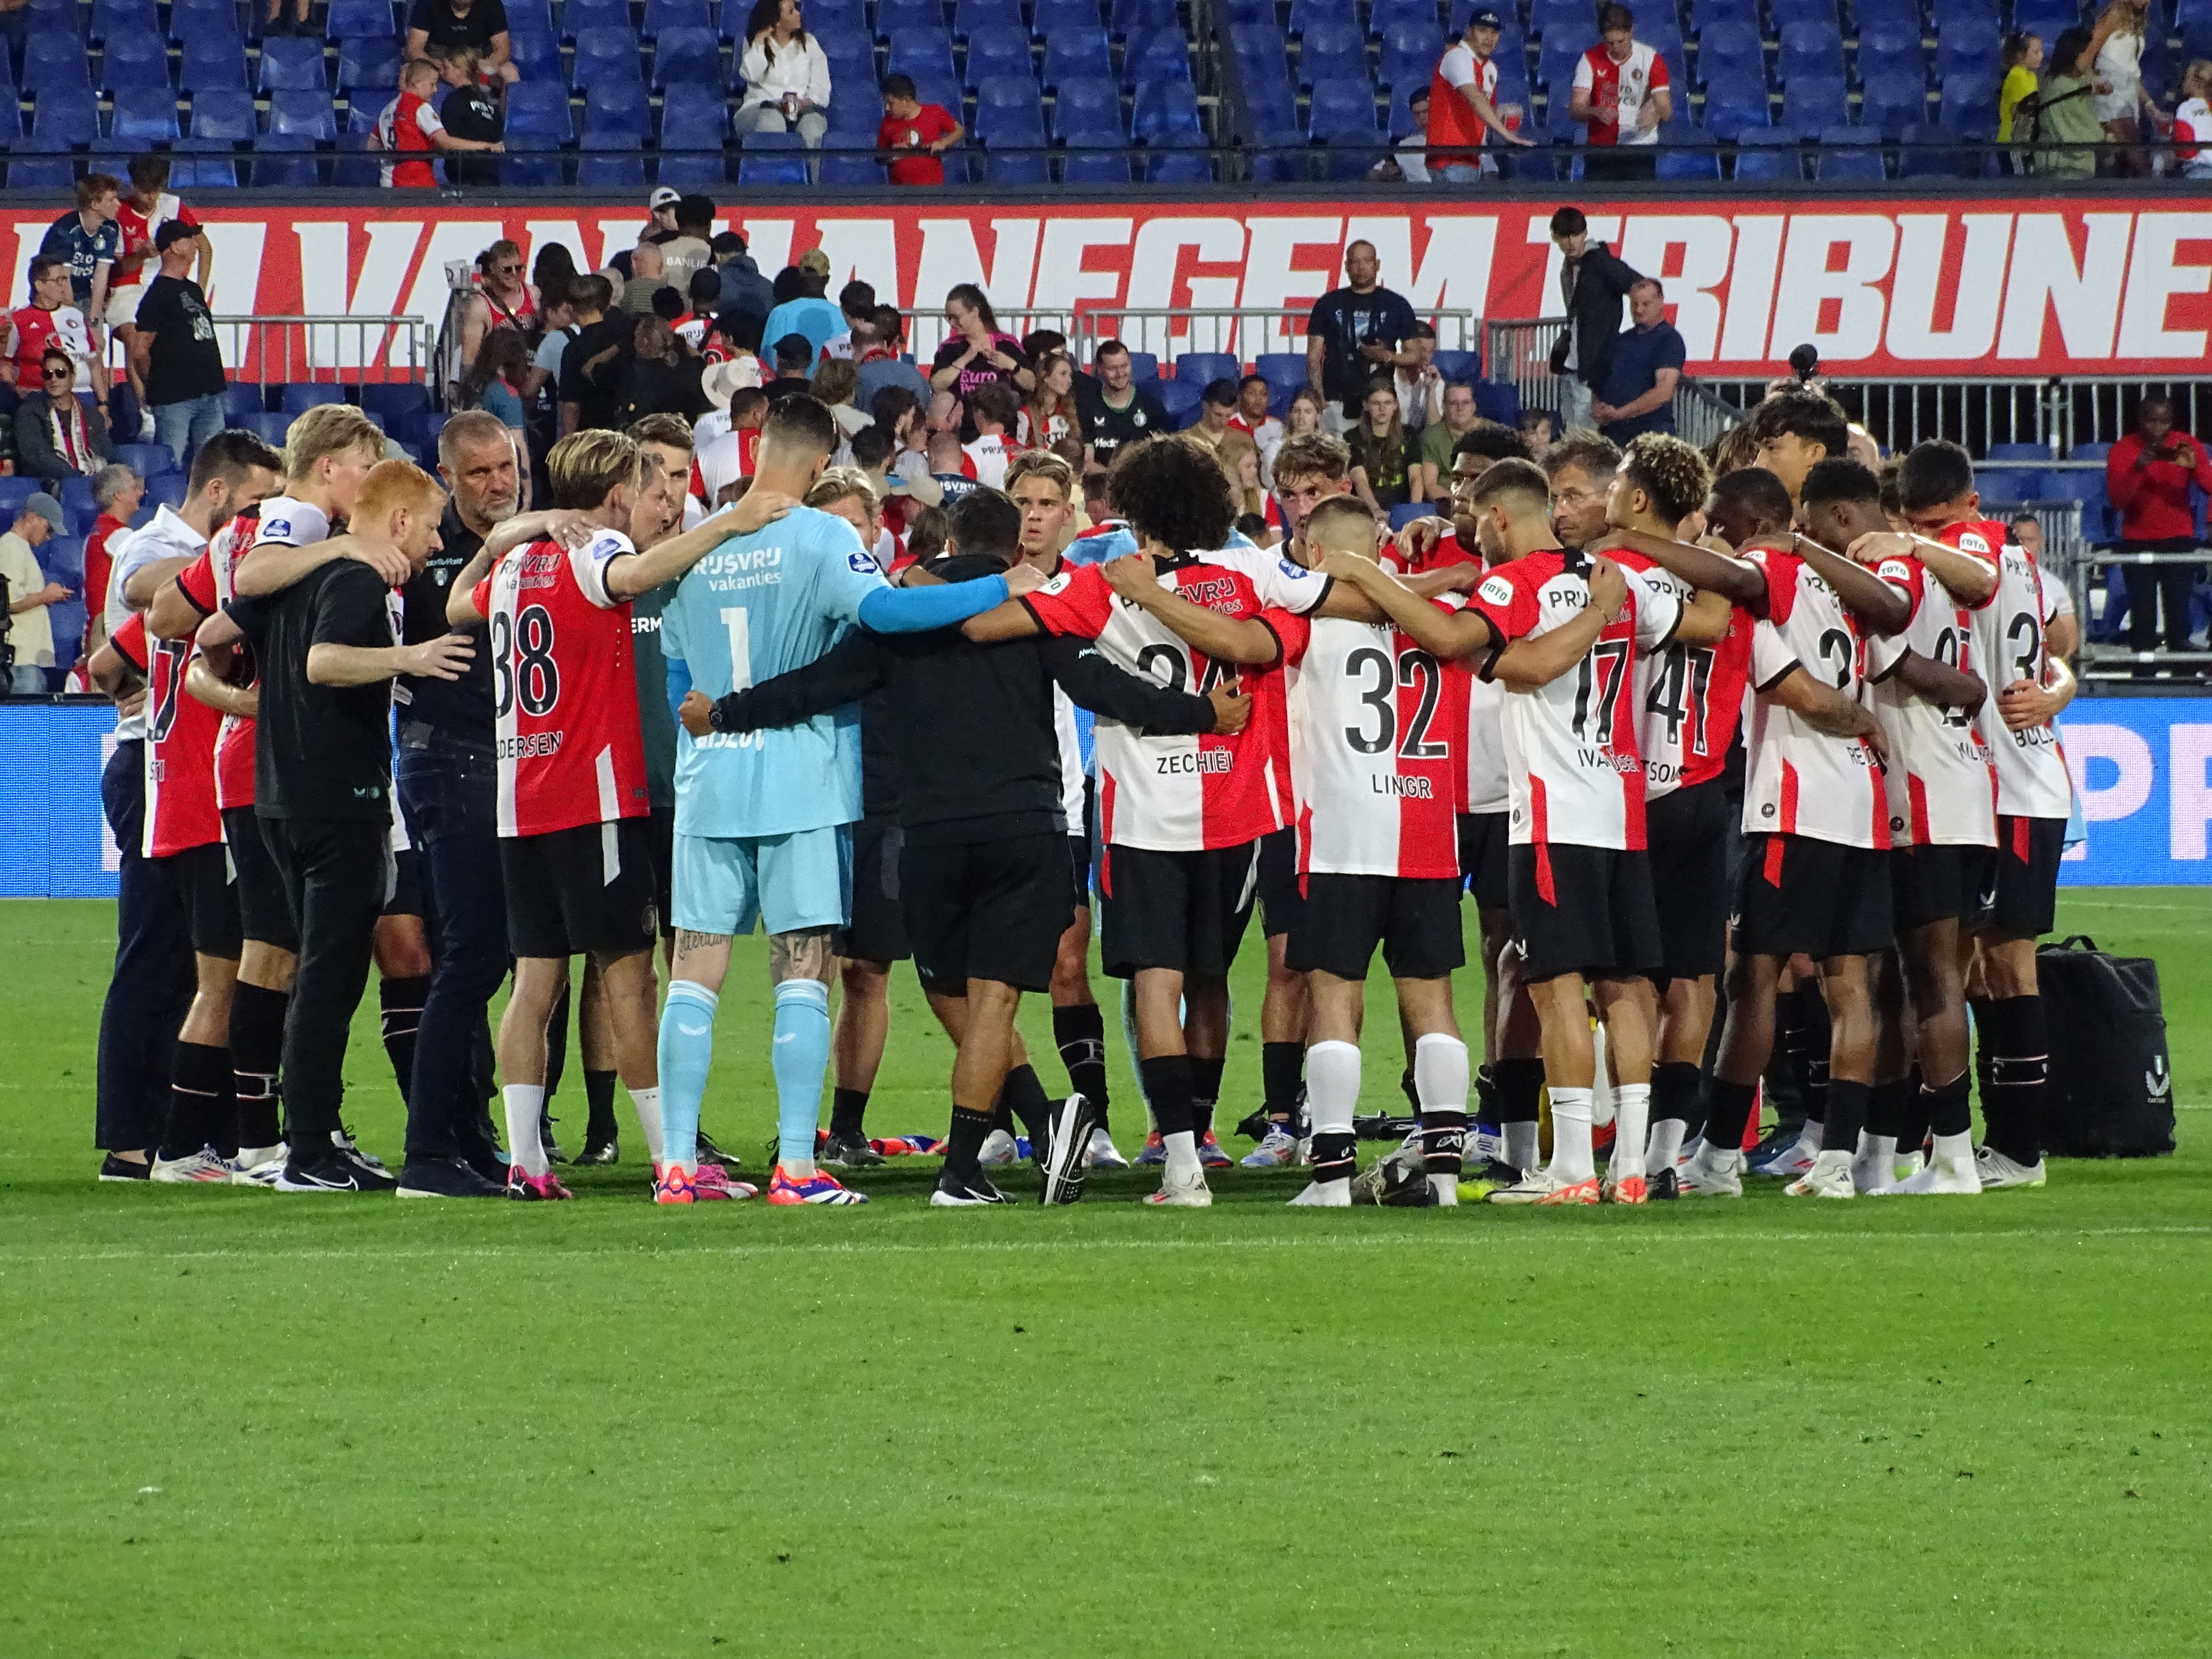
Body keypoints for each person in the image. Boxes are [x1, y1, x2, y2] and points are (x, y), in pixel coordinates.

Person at [692, 486, 1232, 1205]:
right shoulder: (1032, 608)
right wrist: (1201, 711)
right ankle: (969, 1168)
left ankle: (1033, 1129)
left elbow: (814, 686)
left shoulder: (901, 617)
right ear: (1014, 550)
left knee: (949, 990)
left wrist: (724, 712)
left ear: (947, 542)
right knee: (992, 1002)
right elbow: (1106, 687)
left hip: (928, 835)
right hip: (1020, 828)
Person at [643, 396, 1040, 1205]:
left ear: (758, 447)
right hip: (801, 781)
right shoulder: (824, 537)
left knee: (693, 973)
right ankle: (796, 1167)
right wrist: (1001, 583)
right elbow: (888, 612)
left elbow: (679, 685)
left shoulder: (698, 545)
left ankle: (676, 1166)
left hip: (710, 782)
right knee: (802, 971)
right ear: (824, 459)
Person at [957, 436, 1356, 1204]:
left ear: (1136, 511)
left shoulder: (1101, 585)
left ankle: (1179, 1164)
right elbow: (1338, 601)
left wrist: (985, 589)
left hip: (1142, 818)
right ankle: (1202, 1135)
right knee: (1210, 982)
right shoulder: (1253, 574)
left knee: (1155, 983)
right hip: (1238, 814)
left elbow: (985, 627)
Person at [202, 445, 454, 1194]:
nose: (436, 542)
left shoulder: (300, 572)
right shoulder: (354, 577)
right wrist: (411, 657)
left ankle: (310, 1139)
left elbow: (217, 632)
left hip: (280, 794)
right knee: (328, 979)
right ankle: (310, 1148)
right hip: (336, 798)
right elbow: (324, 662)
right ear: (399, 520)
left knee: (319, 972)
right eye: (431, 527)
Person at [1851, 440, 2077, 1192]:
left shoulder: (1971, 550)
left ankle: (2017, 1149)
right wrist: (2062, 684)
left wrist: (1914, 544)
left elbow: (1996, 600)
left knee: (2005, 969)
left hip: (2013, 784)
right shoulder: (2018, 561)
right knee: (1967, 974)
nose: (1928, 536)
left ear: (1971, 508)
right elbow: (2052, 648)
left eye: (1937, 523)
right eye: (1917, 525)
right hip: (1993, 781)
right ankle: (1958, 1141)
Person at [1275, 497, 1479, 1205]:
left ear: (1315, 552)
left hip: (1340, 836)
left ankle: (1332, 1179)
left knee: (1334, 1000)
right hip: (1427, 833)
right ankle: (1445, 1179)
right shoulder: (1441, 615)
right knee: (1433, 1004)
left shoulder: (1306, 612)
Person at [1804, 458, 1993, 1196]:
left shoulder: (1891, 578)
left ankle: (1953, 1156)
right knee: (1896, 983)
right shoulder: (1935, 572)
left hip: (1922, 800)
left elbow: (1902, 660)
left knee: (1930, 979)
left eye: (1817, 529)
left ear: (1845, 517)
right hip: (1955, 789)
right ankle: (1883, 1156)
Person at [2104, 395, 2212, 658]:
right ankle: (2144, 673)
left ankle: (2182, 674)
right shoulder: (2123, 450)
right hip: (2137, 539)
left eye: (2164, 422)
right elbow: (2118, 501)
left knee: (2179, 615)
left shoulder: (2187, 445)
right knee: (2143, 617)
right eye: (2152, 421)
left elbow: (2209, 486)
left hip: (2179, 537)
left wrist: (2196, 468)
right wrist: (2138, 468)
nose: (2158, 428)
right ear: (2140, 420)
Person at [105, 156, 212, 416]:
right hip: (128, 287)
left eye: (156, 190)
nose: (151, 197)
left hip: (165, 286)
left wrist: (199, 289)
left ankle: (173, 400)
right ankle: (148, 409)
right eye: (145, 191)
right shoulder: (119, 213)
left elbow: (205, 248)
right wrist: (141, 256)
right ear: (133, 186)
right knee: (135, 340)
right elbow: (117, 270)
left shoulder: (173, 206)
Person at [131, 221, 227, 470]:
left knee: (214, 466)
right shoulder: (158, 295)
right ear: (174, 246)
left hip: (207, 391)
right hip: (175, 398)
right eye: (188, 238)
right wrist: (155, 383)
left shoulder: (192, 289)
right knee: (170, 464)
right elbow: (140, 350)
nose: (195, 244)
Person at [1544, 206, 1645, 434]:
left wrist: (1639, 327)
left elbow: (1640, 285)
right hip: (1574, 365)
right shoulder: (1572, 266)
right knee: (1573, 435)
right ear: (1556, 238)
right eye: (1565, 236)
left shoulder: (1599, 262)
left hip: (1591, 368)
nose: (1571, 242)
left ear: (1585, 233)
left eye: (1575, 235)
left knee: (1583, 438)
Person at [1305, 241, 1420, 428]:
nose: (1362, 268)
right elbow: (1313, 357)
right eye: (1355, 262)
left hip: (1380, 400)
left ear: (1377, 265)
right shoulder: (1328, 303)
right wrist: (1320, 399)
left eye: (1367, 261)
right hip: (1336, 399)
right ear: (1346, 266)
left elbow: (1415, 355)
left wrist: (1387, 356)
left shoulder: (1397, 304)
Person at [1427, 5, 1533, 180]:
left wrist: (1503, 113)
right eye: (1483, 31)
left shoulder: (1490, 68)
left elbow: (1484, 112)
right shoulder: (1457, 56)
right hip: (1450, 157)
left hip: (1472, 157)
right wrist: (1507, 135)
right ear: (1470, 32)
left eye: (1494, 33)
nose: (1489, 38)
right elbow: (1474, 97)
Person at [1569, 3, 1671, 182]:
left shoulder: (1651, 58)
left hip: (1640, 148)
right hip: (1601, 148)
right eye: (1610, 43)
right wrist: (1596, 111)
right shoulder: (1590, 59)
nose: (1616, 48)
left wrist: (1655, 114)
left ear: (1631, 32)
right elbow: (1575, 109)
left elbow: (1666, 109)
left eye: (1621, 42)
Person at [374, 58, 501, 186]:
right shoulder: (420, 107)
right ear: (417, 84)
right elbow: (445, 142)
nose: (435, 90)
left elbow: (372, 145)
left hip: (389, 182)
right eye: (432, 84)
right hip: (416, 182)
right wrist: (485, 146)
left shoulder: (388, 110)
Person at [1591, 277, 1685, 445]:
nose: (1639, 310)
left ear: (1660, 302)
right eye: (1634, 304)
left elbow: (1664, 392)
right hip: (1614, 437)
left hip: (1651, 439)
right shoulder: (1621, 341)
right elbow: (1599, 382)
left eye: (1646, 304)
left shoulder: (1669, 340)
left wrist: (1620, 413)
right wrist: (1598, 408)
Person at [39, 174, 123, 357]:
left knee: (96, 348)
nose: (119, 204)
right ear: (95, 204)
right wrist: (76, 320)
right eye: (112, 199)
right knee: (69, 349)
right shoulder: (65, 231)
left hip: (85, 295)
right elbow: (63, 281)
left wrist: (93, 321)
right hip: (55, 297)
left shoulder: (111, 229)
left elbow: (101, 276)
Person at [15, 347, 118, 494]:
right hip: (50, 482)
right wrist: (76, 479)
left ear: (72, 378)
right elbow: (38, 455)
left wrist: (119, 474)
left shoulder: (91, 415)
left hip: (93, 479)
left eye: (60, 373)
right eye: (48, 374)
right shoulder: (30, 412)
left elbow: (107, 451)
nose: (54, 379)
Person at [739, 0, 831, 152]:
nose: (798, 14)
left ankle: (811, 168)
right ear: (776, 20)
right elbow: (752, 75)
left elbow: (821, 87)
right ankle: (774, 168)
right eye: (791, 11)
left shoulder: (809, 43)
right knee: (772, 120)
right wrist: (760, 42)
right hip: (760, 108)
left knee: (813, 125)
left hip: (801, 110)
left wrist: (805, 102)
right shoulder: (754, 43)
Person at [1, 493, 70, 693]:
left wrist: (46, 597)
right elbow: (8, 602)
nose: (49, 537)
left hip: (26, 660)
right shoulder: (11, 546)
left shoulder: (19, 547)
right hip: (20, 660)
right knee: (23, 712)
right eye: (49, 529)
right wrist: (45, 596)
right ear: (33, 518)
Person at [1074, 338, 1167, 471]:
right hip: (1100, 480)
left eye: (1124, 366)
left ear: (1131, 363)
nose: (1120, 374)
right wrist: (1113, 477)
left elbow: (1161, 458)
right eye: (1112, 369)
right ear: (1099, 369)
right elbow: (1087, 463)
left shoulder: (1151, 406)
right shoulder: (1088, 406)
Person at [2091, 0, 2160, 177]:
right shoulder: (2114, 14)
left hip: (2128, 96)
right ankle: (2154, 190)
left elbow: (2132, 73)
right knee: (2135, 154)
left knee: (2129, 157)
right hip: (2108, 93)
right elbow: (2090, 53)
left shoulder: (2137, 20)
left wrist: (2149, 104)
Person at [931, 284, 1032, 404]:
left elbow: (1031, 384)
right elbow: (936, 385)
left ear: (975, 312)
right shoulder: (950, 347)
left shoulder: (1007, 343)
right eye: (949, 318)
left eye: (956, 317)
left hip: (1000, 411)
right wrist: (964, 360)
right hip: (962, 411)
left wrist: (1011, 365)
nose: (952, 323)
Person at [558, 275, 631, 437]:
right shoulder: (625, 336)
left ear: (570, 307)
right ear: (606, 305)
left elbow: (572, 407)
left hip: (592, 435)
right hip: (626, 430)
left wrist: (567, 444)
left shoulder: (574, 349)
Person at [2026, 27, 2104, 178]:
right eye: (2089, 54)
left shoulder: (2048, 76)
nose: (2092, 59)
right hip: (2066, 167)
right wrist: (2108, 136)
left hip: (2050, 160)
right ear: (2076, 56)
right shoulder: (2064, 88)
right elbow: (2086, 130)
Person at [457, 239, 538, 381]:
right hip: (498, 384)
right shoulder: (480, 307)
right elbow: (469, 361)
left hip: (531, 380)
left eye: (518, 268)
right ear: (493, 269)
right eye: (507, 269)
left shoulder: (534, 295)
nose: (514, 274)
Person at [1346, 378, 1418, 516]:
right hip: (1366, 511)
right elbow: (1360, 480)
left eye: (1388, 403)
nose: (1382, 409)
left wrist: (1413, 511)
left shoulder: (1410, 434)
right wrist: (1376, 511)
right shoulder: (1352, 437)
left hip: (1403, 507)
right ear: (1366, 405)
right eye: (1376, 403)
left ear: (1395, 405)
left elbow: (1415, 477)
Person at [879, 72, 964, 184]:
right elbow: (879, 156)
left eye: (891, 103)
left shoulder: (935, 113)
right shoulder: (888, 122)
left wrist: (944, 143)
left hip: (932, 189)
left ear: (906, 100)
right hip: (899, 190)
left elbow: (959, 130)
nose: (887, 108)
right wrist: (893, 155)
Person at [405, 0, 518, 83]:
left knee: (510, 72)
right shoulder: (427, 3)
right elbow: (414, 49)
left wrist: (483, 66)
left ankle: (497, 110)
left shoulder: (492, 3)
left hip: (478, 59)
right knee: (407, 73)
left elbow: (503, 49)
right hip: (438, 59)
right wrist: (438, 66)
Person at [437, 49, 505, 187]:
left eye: (447, 67)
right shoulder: (489, 101)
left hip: (463, 175)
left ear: (459, 71)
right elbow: (498, 133)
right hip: (490, 172)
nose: (442, 72)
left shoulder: (455, 101)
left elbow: (448, 140)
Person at [760, 252, 846, 361]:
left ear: (800, 276)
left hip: (788, 373)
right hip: (830, 373)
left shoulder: (781, 313)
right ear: (827, 279)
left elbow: (768, 360)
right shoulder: (842, 317)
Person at [1417, 381, 1482, 500]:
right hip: (1447, 503)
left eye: (1466, 403)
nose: (1460, 408)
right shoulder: (1432, 436)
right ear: (1444, 407)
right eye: (1453, 403)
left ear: (1474, 406)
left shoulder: (1494, 433)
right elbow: (1431, 487)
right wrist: (1462, 501)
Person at [1225, 374, 1284, 481]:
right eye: (1252, 393)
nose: (1259, 399)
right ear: (1239, 398)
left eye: (1264, 394)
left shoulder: (1277, 426)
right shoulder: (1228, 426)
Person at [1375, 85, 1433, 183]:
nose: (1422, 118)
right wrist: (1384, 175)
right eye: (1417, 114)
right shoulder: (1406, 145)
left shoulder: (1455, 141)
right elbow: (1374, 174)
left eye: (1426, 112)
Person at [1393, 321, 1444, 432]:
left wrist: (1431, 391)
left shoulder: (1435, 382)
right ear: (1405, 349)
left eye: (1431, 352)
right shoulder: (1388, 377)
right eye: (1422, 351)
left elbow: (1436, 428)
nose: (1428, 358)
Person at [1024, 352, 1079, 451]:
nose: (1070, 381)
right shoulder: (1027, 413)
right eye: (1063, 374)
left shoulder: (1068, 410)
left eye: (1070, 376)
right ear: (1046, 377)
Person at [1998, 31, 2044, 148]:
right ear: (2020, 55)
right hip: (2011, 141)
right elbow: (2019, 112)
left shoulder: (2032, 76)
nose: (2041, 56)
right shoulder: (2016, 77)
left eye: (2041, 51)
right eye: (2036, 52)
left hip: (2024, 139)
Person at [2174, 58, 2212, 178]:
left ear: (2195, 83)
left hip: (2200, 171)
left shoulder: (2186, 108)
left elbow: (2187, 151)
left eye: (2187, 78)